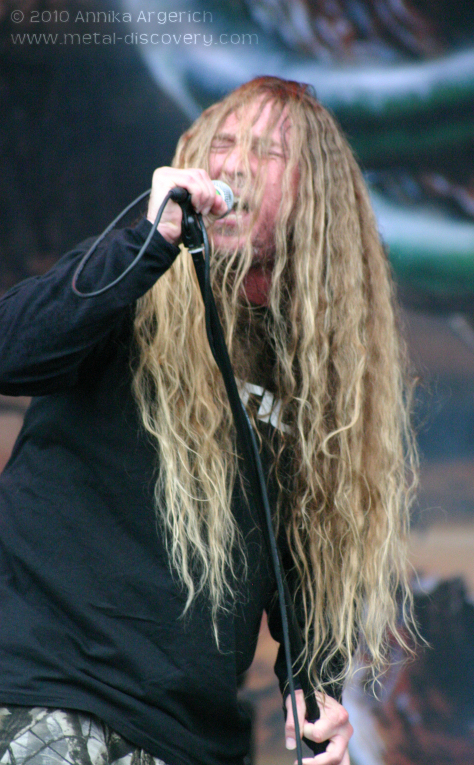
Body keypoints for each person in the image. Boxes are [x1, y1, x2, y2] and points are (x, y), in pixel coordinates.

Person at [0, 77, 416, 765]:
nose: (234, 164)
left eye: (267, 151)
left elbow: (311, 565)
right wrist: (147, 244)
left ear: (315, 197)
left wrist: (315, 691)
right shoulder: (128, 281)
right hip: (45, 694)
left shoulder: (320, 370)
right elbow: (12, 353)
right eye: (222, 144)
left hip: (188, 741)